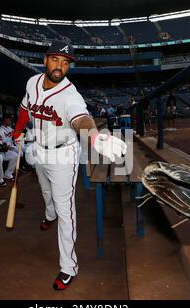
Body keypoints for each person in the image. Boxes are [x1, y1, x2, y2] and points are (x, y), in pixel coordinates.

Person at [13, 40, 127, 291]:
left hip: (64, 155)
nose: (60, 67)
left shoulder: (70, 94)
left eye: (66, 63)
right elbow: (24, 109)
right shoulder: (32, 83)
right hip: (39, 150)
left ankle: (68, 267)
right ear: (45, 60)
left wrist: (94, 136)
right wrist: (18, 131)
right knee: (45, 193)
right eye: (56, 60)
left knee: (66, 212)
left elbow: (81, 118)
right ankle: (48, 214)